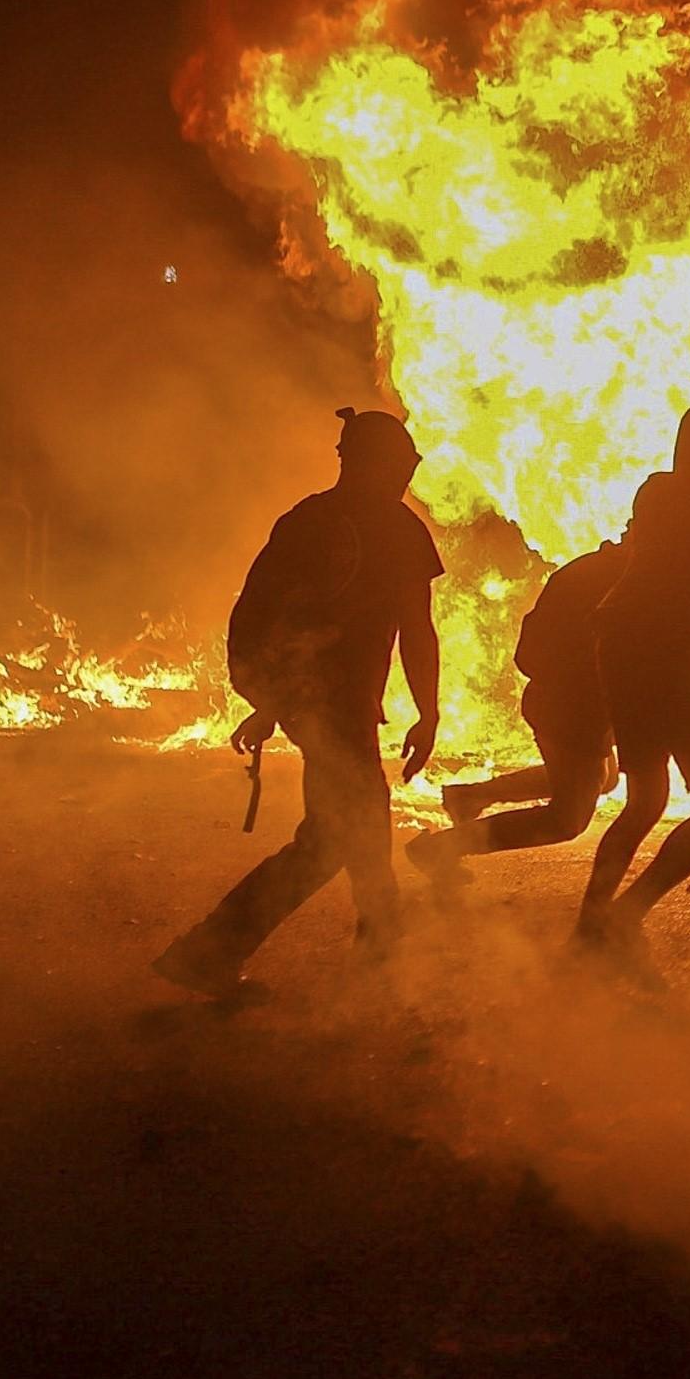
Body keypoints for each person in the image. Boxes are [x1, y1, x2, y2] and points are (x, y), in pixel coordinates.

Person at [153, 407, 443, 996]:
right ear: (369, 462)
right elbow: (416, 629)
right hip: (332, 703)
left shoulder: (305, 520)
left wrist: (274, 701)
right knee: (335, 834)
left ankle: (380, 937)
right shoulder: (396, 529)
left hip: (318, 700)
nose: (406, 476)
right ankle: (211, 951)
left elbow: (278, 621)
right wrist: (428, 711)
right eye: (401, 464)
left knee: (355, 815)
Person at [576, 406, 690, 956]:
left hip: (623, 651)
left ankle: (590, 927)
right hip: (671, 661)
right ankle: (623, 917)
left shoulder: (656, 492)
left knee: (646, 799)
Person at [404, 542, 624, 882]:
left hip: (570, 704)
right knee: (567, 820)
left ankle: (471, 796)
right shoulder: (612, 579)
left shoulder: (595, 569)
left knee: (604, 778)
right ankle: (439, 849)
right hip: (571, 711)